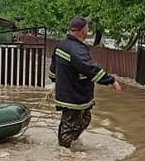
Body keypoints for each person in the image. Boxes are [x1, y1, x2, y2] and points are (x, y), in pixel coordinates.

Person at [48, 16, 121, 148]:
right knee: (69, 125)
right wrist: (110, 80)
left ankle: (70, 144)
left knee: (84, 119)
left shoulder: (62, 44)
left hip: (74, 94)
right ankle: (64, 154)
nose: (88, 29)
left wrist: (55, 80)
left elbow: (53, 70)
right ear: (83, 31)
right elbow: (90, 68)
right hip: (73, 96)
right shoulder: (76, 49)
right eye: (87, 27)